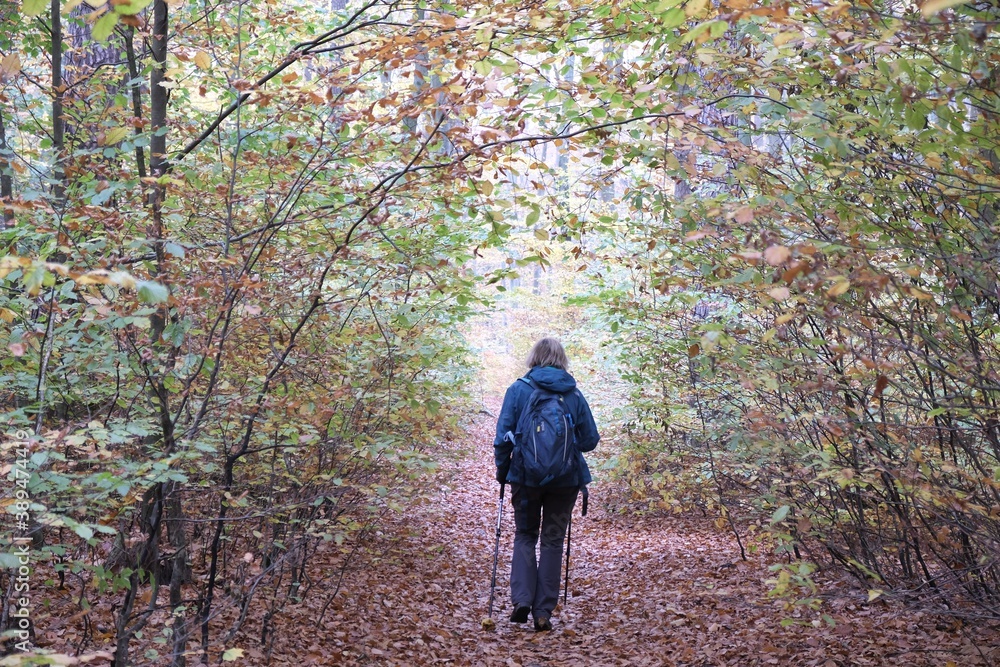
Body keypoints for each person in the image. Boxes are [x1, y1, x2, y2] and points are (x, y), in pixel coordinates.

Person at [493, 337, 600, 631]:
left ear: (534, 358)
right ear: (561, 359)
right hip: (565, 481)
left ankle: (522, 601)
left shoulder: (518, 390)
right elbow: (590, 440)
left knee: (525, 535)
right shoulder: (573, 394)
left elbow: (503, 437)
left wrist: (504, 472)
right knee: (553, 541)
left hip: (525, 478)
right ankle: (543, 612)